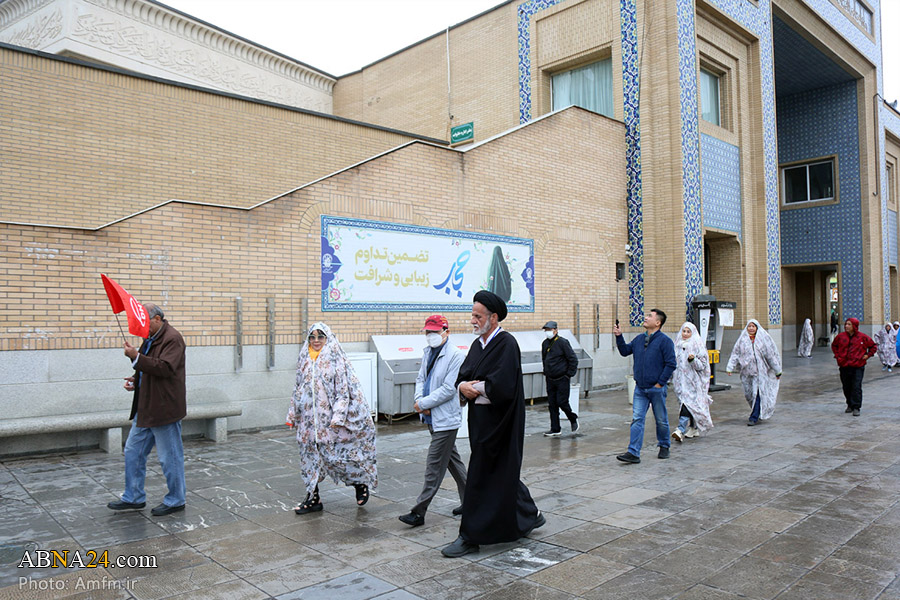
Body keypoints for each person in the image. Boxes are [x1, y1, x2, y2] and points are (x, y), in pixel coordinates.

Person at [441, 291, 544, 558]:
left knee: (480, 476)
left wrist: (474, 388)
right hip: (480, 423)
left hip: (502, 424)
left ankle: (469, 536)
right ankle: (530, 514)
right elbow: (463, 376)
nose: (473, 320)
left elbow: (504, 385)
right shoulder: (478, 346)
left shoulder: (506, 344)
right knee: (502, 474)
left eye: (478, 316)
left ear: (494, 317)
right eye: (472, 315)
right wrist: (463, 386)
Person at [288, 322, 377, 514]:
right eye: (312, 337)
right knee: (309, 458)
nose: (316, 340)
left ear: (327, 338)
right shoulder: (304, 358)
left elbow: (343, 392)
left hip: (330, 422)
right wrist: (293, 414)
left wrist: (338, 418)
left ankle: (359, 483)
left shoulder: (336, 359)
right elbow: (298, 388)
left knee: (337, 457)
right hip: (308, 423)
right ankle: (313, 498)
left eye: (320, 336)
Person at [108, 303, 187, 516]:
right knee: (133, 451)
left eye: (145, 321)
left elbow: (165, 368)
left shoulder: (172, 338)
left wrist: (136, 357)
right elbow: (148, 367)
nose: (141, 326)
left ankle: (176, 500)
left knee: (169, 457)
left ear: (158, 319)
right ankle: (133, 497)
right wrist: (137, 380)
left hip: (164, 408)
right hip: (145, 407)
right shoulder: (150, 338)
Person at [398, 315, 468, 528]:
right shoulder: (428, 352)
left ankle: (419, 512)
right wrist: (419, 401)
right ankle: (472, 502)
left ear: (446, 332)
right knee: (453, 462)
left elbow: (449, 388)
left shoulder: (456, 355)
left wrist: (424, 403)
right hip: (430, 416)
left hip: (446, 419)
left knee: (434, 466)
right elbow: (421, 379)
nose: (431, 336)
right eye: (428, 332)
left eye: (435, 332)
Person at [613, 309, 676, 464]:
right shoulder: (639, 339)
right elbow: (625, 351)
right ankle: (633, 452)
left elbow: (671, 364)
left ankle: (664, 445)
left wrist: (660, 383)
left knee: (660, 419)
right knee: (637, 419)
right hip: (640, 388)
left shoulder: (665, 341)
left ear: (658, 322)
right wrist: (619, 336)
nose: (645, 318)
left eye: (649, 316)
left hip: (656, 388)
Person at [726, 320, 782, 426]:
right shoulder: (742, 340)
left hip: (759, 374)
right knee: (750, 395)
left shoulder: (762, 339)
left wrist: (777, 370)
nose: (751, 328)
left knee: (757, 394)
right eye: (749, 326)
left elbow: (770, 356)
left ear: (757, 328)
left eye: (753, 326)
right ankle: (758, 411)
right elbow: (735, 353)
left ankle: (753, 417)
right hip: (746, 374)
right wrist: (730, 367)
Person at [671, 322, 713, 442]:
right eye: (684, 331)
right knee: (688, 405)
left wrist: (693, 360)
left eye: (688, 332)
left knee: (687, 404)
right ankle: (694, 427)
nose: (685, 334)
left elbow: (702, 366)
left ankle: (680, 430)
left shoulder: (697, 345)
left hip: (693, 382)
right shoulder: (677, 345)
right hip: (680, 381)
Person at [540, 320, 579, 437]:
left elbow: (573, 359)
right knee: (552, 404)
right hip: (550, 378)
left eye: (549, 330)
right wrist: (546, 371)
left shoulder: (562, 342)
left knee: (562, 402)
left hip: (562, 378)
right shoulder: (545, 344)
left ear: (556, 330)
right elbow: (544, 359)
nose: (547, 332)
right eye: (546, 330)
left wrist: (569, 374)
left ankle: (572, 418)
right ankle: (555, 428)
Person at [831, 317, 876, 416]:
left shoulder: (862, 337)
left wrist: (868, 355)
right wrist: (838, 356)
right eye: (846, 324)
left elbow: (873, 346)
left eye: (849, 324)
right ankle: (849, 404)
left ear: (854, 326)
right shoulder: (841, 337)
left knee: (856, 386)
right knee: (846, 386)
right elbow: (834, 345)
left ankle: (856, 407)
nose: (846, 326)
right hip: (844, 365)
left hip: (857, 365)